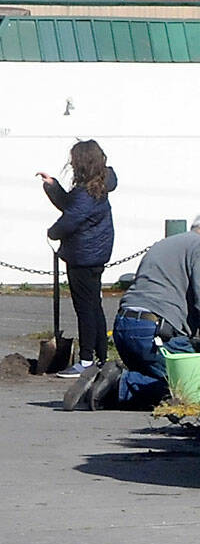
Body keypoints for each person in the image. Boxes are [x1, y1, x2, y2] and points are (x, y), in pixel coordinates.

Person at [72, 216, 200, 411]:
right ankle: (117, 384)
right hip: (156, 331)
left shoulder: (163, 245)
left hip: (125, 325)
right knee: (195, 386)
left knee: (159, 379)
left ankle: (106, 383)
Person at [39, 139, 117, 379]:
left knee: (85, 308)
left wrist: (52, 233)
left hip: (83, 257)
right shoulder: (99, 185)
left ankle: (85, 361)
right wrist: (53, 186)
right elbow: (70, 207)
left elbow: (71, 217)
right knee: (94, 306)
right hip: (95, 254)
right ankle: (101, 357)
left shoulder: (86, 193)